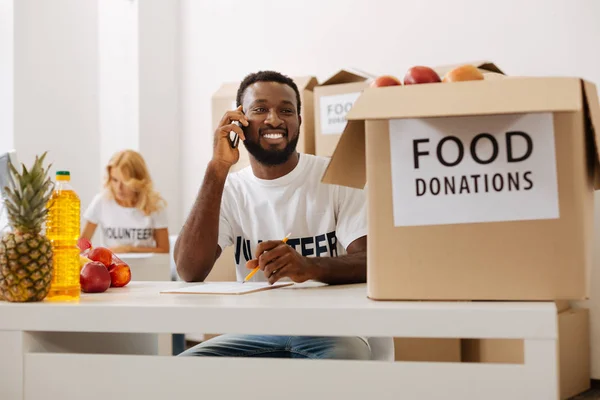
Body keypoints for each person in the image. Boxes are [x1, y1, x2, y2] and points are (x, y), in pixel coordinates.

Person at [175, 71, 387, 360]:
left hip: (334, 330)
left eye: (286, 110)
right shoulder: (228, 188)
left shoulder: (336, 175)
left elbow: (374, 263)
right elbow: (189, 270)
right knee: (184, 366)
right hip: (255, 332)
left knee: (341, 366)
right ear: (239, 121)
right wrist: (217, 167)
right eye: (260, 109)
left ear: (299, 121)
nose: (274, 119)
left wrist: (309, 267)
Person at [81, 149, 170, 254]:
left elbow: (164, 249)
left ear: (139, 181)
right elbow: (82, 244)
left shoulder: (154, 204)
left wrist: (129, 249)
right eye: (114, 180)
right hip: (111, 267)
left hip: (147, 268)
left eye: (125, 182)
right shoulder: (101, 201)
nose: (119, 188)